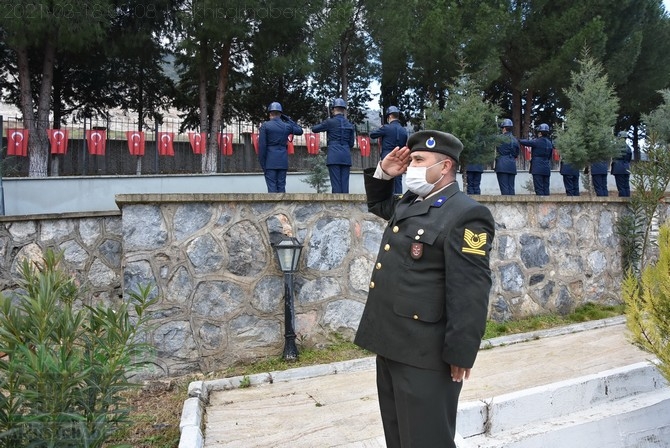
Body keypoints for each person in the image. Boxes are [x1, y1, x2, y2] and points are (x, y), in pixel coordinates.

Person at [354, 130, 495, 448]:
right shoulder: (412, 202)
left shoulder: (467, 214)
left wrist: (461, 352)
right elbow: (378, 203)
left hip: (426, 355)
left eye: (418, 160)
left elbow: (470, 289)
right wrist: (383, 173)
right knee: (399, 439)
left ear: (444, 167)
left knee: (426, 441)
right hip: (391, 345)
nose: (411, 167)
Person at [311, 98, 356, 193]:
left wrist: (325, 122)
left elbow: (314, 129)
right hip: (345, 155)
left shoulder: (330, 122)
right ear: (344, 110)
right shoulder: (349, 124)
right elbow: (351, 144)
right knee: (345, 184)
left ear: (333, 109)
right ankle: (346, 206)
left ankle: (336, 207)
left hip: (334, 155)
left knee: (336, 184)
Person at [258, 102, 303, 193]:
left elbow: (262, 147)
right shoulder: (287, 126)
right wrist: (288, 119)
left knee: (272, 188)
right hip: (282, 160)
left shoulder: (265, 126)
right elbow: (300, 130)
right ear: (280, 114)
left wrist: (263, 164)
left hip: (270, 161)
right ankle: (283, 207)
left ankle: (274, 207)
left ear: (270, 113)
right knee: (281, 187)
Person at [370, 106, 408, 194]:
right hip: (399, 157)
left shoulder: (386, 128)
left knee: (385, 180)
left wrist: (381, 128)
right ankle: (398, 200)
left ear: (390, 116)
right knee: (398, 181)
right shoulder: (403, 130)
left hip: (387, 157)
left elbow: (372, 135)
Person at [519, 123, 554, 196]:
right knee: (546, 188)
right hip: (546, 167)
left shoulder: (537, 141)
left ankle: (540, 205)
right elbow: (550, 156)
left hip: (537, 167)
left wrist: (518, 140)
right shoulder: (550, 143)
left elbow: (526, 142)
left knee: (539, 188)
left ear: (540, 133)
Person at [494, 118, 520, 195]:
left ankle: (506, 207)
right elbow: (516, 153)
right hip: (512, 164)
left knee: (504, 188)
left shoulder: (499, 138)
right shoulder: (515, 140)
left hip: (502, 164)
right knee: (511, 187)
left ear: (504, 128)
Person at [611, 131, 632, 197]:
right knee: (626, 186)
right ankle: (628, 200)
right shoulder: (628, 148)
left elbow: (614, 157)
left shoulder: (616, 147)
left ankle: (623, 202)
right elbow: (629, 159)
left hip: (618, 168)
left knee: (621, 187)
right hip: (626, 168)